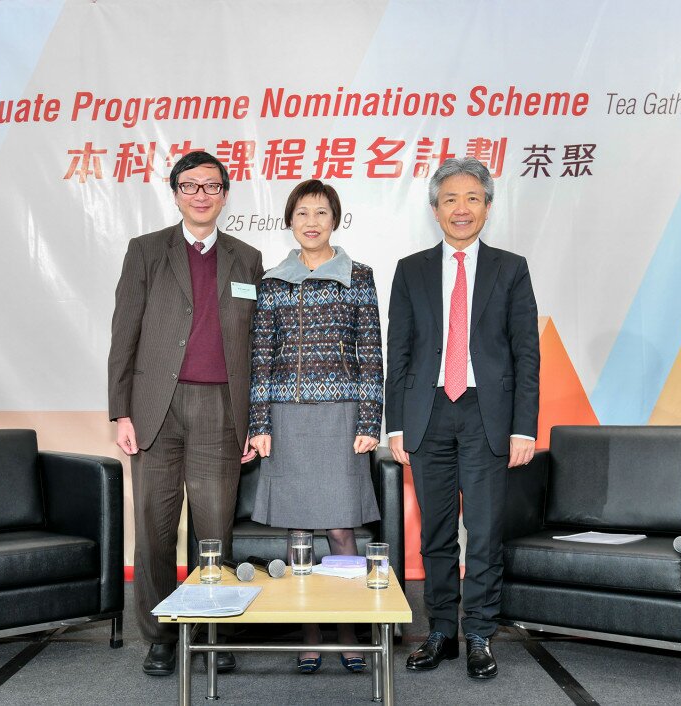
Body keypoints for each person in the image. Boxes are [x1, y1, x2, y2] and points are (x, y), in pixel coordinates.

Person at [107, 151, 263, 676]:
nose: (201, 195)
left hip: (222, 408)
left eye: (212, 186)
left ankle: (211, 633)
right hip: (156, 408)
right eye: (190, 186)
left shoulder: (247, 258)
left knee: (214, 529)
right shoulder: (147, 251)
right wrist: (120, 410)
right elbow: (123, 332)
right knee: (154, 527)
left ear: (225, 194)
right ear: (175, 193)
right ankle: (160, 635)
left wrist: (254, 418)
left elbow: (257, 345)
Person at [386, 157, 540, 679]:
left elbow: (526, 353)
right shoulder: (410, 270)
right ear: (435, 209)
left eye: (472, 198)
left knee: (484, 529)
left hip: (487, 414)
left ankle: (479, 633)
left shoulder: (510, 268)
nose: (461, 208)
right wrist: (396, 423)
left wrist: (524, 426)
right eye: (450, 199)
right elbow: (399, 353)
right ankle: (440, 631)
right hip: (427, 412)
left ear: (488, 208)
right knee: (436, 532)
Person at [248, 179, 383, 675]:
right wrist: (258, 423)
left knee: (342, 529)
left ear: (335, 220)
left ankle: (348, 630)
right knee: (298, 531)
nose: (311, 221)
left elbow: (371, 354)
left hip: (342, 416)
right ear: (290, 221)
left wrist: (371, 419)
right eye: (302, 213)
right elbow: (259, 358)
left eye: (321, 213)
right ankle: (307, 632)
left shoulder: (359, 276)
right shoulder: (271, 281)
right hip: (285, 416)